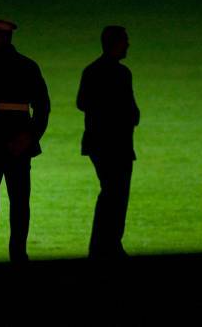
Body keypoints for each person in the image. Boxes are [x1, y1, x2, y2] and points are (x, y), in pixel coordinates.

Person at [0, 16, 50, 265]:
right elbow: (43, 108)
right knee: (18, 201)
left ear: (0, 37)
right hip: (20, 143)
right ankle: (18, 253)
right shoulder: (29, 66)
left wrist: (18, 138)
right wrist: (27, 137)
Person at [76, 26, 140, 259]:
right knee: (116, 195)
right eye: (125, 42)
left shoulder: (91, 71)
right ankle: (109, 245)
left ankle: (104, 245)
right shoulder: (122, 74)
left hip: (100, 143)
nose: (128, 46)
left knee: (111, 194)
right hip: (117, 144)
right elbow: (129, 108)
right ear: (116, 44)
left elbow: (82, 102)